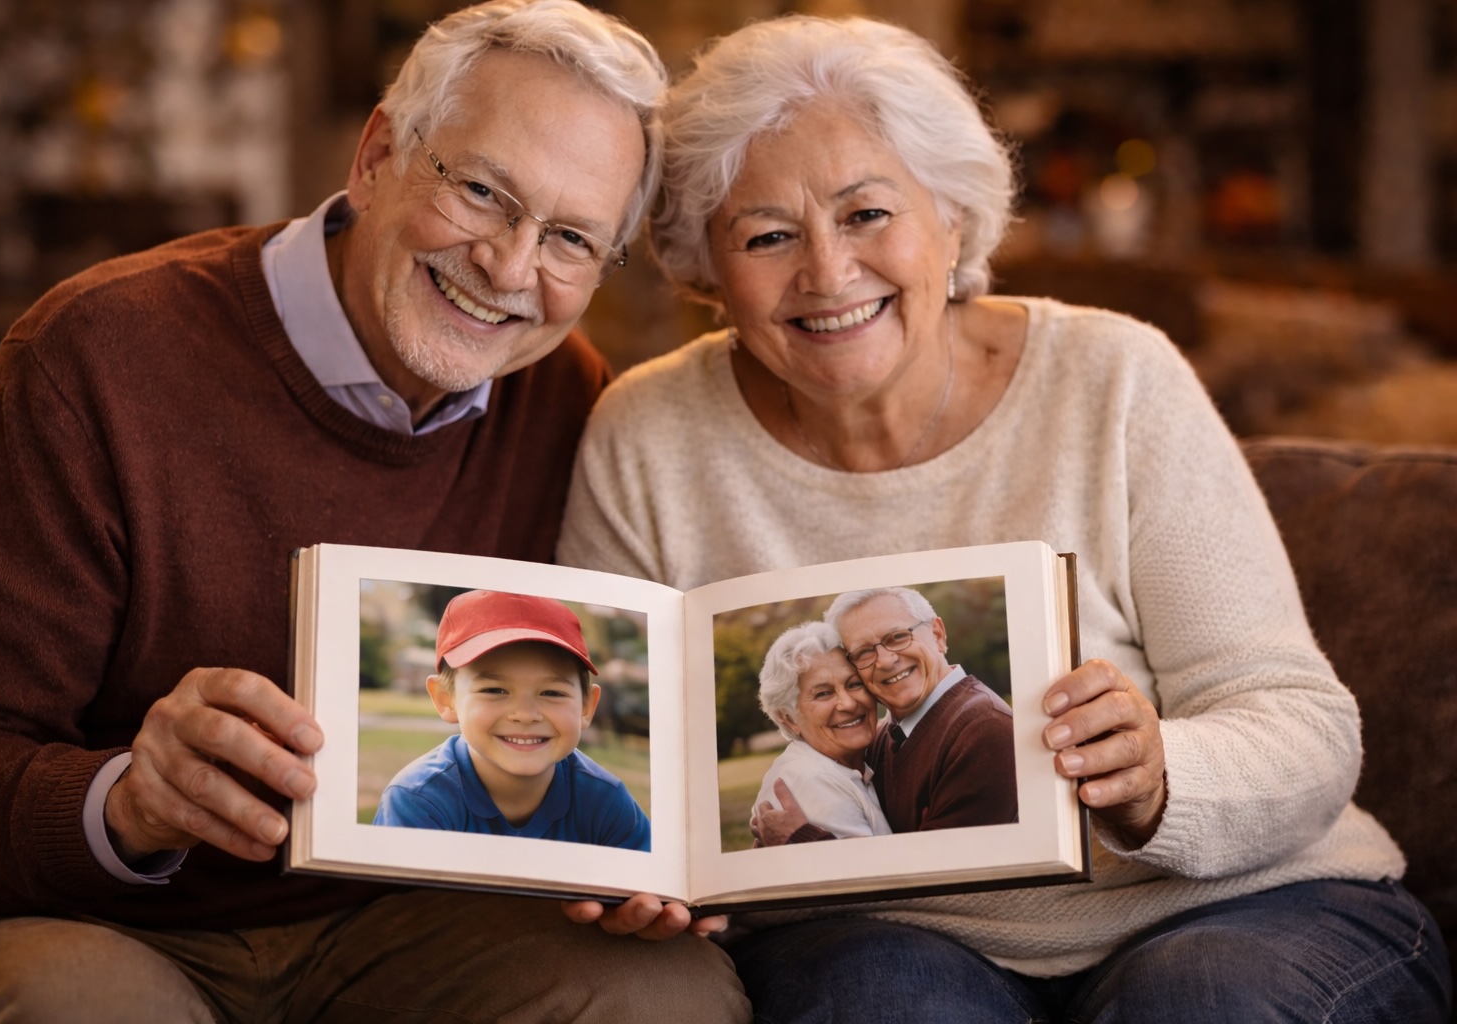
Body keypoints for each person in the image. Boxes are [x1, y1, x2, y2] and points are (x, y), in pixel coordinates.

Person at [558, 13, 1452, 1021]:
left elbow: (1304, 727)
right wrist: (631, 865)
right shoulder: (647, 433)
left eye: (867, 214)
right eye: (767, 236)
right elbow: (613, 753)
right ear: (706, 271)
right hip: (886, 937)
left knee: (1198, 1000)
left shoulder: (1115, 377)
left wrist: (1162, 774)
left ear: (952, 218)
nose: (826, 271)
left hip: (1243, 909)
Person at [0, 2, 749, 1020]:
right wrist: (128, 801)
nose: (510, 266)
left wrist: (643, 860)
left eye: (572, 237)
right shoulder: (94, 353)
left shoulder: (569, 395)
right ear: (377, 155)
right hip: (101, 919)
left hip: (403, 923)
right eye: (484, 192)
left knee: (664, 994)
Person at [373, 589, 651, 851]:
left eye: (552, 692)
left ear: (587, 707)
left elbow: (650, 889)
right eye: (495, 690)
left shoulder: (605, 802)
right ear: (446, 699)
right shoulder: (418, 801)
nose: (525, 714)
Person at [758, 587, 1015, 843]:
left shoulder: (985, 730)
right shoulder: (885, 735)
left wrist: (799, 840)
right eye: (864, 652)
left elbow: (942, 872)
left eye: (897, 637)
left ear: (938, 634)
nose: (884, 661)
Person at [750, 621, 890, 841]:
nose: (849, 704)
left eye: (854, 684)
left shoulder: (847, 764)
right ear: (788, 718)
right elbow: (869, 873)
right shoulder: (815, 781)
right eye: (823, 693)